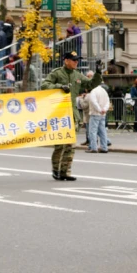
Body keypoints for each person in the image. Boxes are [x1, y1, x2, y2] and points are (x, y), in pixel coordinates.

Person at [41, 51, 102, 180]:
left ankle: (65, 172)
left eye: (77, 60)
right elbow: (45, 85)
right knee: (60, 145)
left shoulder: (77, 75)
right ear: (66, 60)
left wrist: (98, 73)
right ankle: (56, 170)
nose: (76, 62)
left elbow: (91, 85)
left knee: (70, 146)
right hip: (58, 114)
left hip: (72, 114)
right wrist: (59, 86)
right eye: (73, 60)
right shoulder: (57, 73)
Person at [87, 83, 111, 153]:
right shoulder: (105, 92)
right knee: (103, 131)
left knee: (93, 131)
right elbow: (107, 102)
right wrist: (104, 110)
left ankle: (94, 147)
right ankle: (104, 147)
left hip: (95, 113)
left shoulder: (94, 91)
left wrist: (99, 110)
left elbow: (93, 102)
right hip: (103, 114)